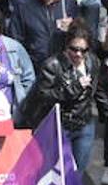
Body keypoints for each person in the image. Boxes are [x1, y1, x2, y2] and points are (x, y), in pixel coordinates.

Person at [21, 19, 101, 169]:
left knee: (78, 172)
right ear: (66, 45)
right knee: (54, 172)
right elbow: (43, 96)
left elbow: (98, 90)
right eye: (74, 49)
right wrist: (73, 88)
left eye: (83, 50)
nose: (78, 54)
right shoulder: (52, 65)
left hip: (84, 123)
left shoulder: (92, 62)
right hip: (60, 126)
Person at [5, 0, 80, 66]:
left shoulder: (68, 2)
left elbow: (80, 36)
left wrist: (72, 28)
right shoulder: (23, 5)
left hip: (62, 68)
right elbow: (15, 41)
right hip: (34, 67)